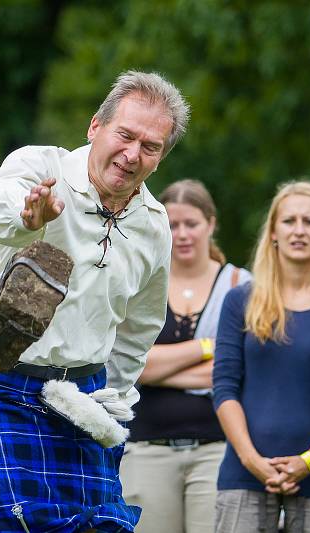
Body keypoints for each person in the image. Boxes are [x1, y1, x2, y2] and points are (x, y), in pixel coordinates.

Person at [0, 70, 190, 532]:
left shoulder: (155, 225)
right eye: (125, 135)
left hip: (83, 399)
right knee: (12, 524)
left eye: (149, 147)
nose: (132, 155)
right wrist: (28, 216)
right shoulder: (42, 167)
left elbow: (138, 328)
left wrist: (113, 397)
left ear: (160, 159)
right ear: (96, 126)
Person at [213, 181, 310, 532]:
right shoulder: (240, 301)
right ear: (273, 231)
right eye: (289, 221)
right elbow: (224, 387)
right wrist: (252, 461)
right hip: (245, 475)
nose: (299, 230)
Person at [120, 179, 250, 533]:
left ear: (211, 223)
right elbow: (126, 364)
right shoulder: (141, 283)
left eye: (191, 224)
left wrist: (156, 367)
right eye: (173, 225)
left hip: (219, 449)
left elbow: (240, 371)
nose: (182, 234)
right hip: (147, 448)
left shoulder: (241, 285)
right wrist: (207, 348)